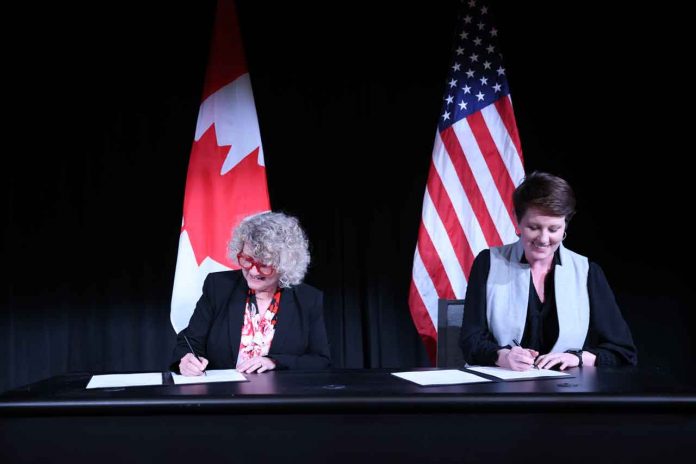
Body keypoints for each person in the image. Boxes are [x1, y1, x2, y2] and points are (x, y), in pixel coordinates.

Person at [459, 172, 637, 371]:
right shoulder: (488, 263)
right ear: (517, 221)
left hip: (566, 394)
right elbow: (470, 341)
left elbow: (622, 352)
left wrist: (577, 358)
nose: (544, 239)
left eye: (553, 229)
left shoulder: (587, 272)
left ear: (565, 226)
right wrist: (503, 356)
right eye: (534, 227)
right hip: (502, 391)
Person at [172, 211, 331, 375]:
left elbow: (320, 360)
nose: (253, 272)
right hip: (223, 395)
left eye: (264, 265)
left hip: (281, 397)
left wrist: (274, 361)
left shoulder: (308, 299)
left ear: (285, 265)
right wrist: (186, 360)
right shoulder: (218, 287)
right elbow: (188, 342)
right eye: (247, 260)